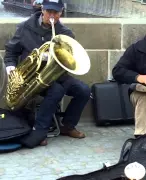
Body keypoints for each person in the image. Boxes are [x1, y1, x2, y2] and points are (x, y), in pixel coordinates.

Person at [4, 0, 90, 147]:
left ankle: (68, 126)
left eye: (55, 12)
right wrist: (11, 68)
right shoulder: (25, 27)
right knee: (56, 91)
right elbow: (11, 52)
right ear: (42, 9)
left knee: (84, 90)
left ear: (61, 12)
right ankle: (39, 132)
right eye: (49, 11)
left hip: (58, 75)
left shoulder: (65, 33)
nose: (52, 15)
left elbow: (70, 60)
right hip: (33, 77)